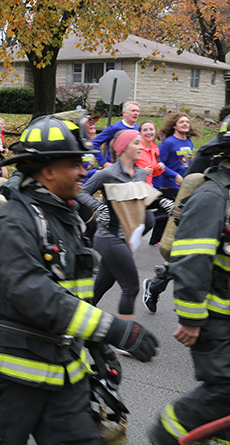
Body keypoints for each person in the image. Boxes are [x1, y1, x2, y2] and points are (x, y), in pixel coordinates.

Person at [0, 114, 159, 445]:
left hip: (64, 375)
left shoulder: (64, 217)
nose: (83, 172)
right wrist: (115, 329)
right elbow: (39, 296)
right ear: (47, 171)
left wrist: (99, 348)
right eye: (74, 164)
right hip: (5, 381)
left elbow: (74, 297)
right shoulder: (13, 222)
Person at [148, 111, 230, 445]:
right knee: (227, 390)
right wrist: (192, 319)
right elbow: (189, 262)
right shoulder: (214, 197)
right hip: (216, 322)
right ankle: (168, 434)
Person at [79, 130, 171, 322]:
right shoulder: (107, 173)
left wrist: (162, 203)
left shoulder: (138, 173)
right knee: (131, 287)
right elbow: (82, 192)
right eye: (137, 143)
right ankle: (126, 339)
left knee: (99, 288)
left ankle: (74, 322)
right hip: (109, 237)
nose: (141, 147)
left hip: (127, 238)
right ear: (123, 148)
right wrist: (99, 207)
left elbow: (140, 197)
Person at [150, 113, 198, 245]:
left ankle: (155, 239)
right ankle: (146, 222)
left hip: (184, 184)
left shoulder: (189, 141)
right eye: (181, 122)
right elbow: (159, 164)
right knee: (169, 212)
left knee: (168, 212)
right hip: (169, 184)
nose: (185, 124)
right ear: (174, 126)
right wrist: (174, 175)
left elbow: (186, 162)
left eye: (187, 122)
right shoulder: (169, 143)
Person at [92, 100, 140, 167]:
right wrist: (104, 163)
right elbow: (94, 143)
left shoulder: (138, 128)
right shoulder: (114, 128)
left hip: (132, 168)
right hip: (115, 167)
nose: (136, 113)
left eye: (137, 111)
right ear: (124, 113)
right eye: (133, 111)